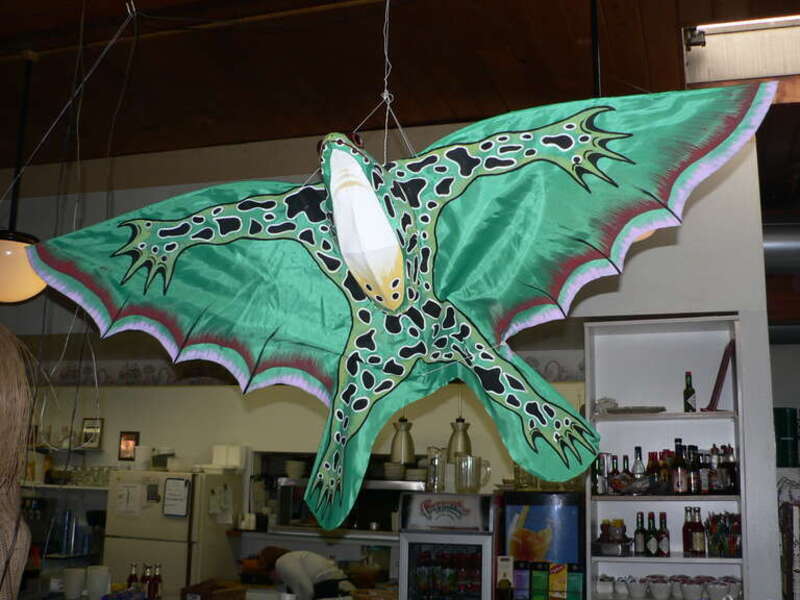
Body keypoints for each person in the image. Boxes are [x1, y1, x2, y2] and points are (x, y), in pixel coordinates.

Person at [258, 546, 355, 600]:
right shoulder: (293, 559)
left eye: (269, 575)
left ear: (271, 567)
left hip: (336, 593)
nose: (272, 579)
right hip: (340, 591)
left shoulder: (282, 562)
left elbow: (306, 591)